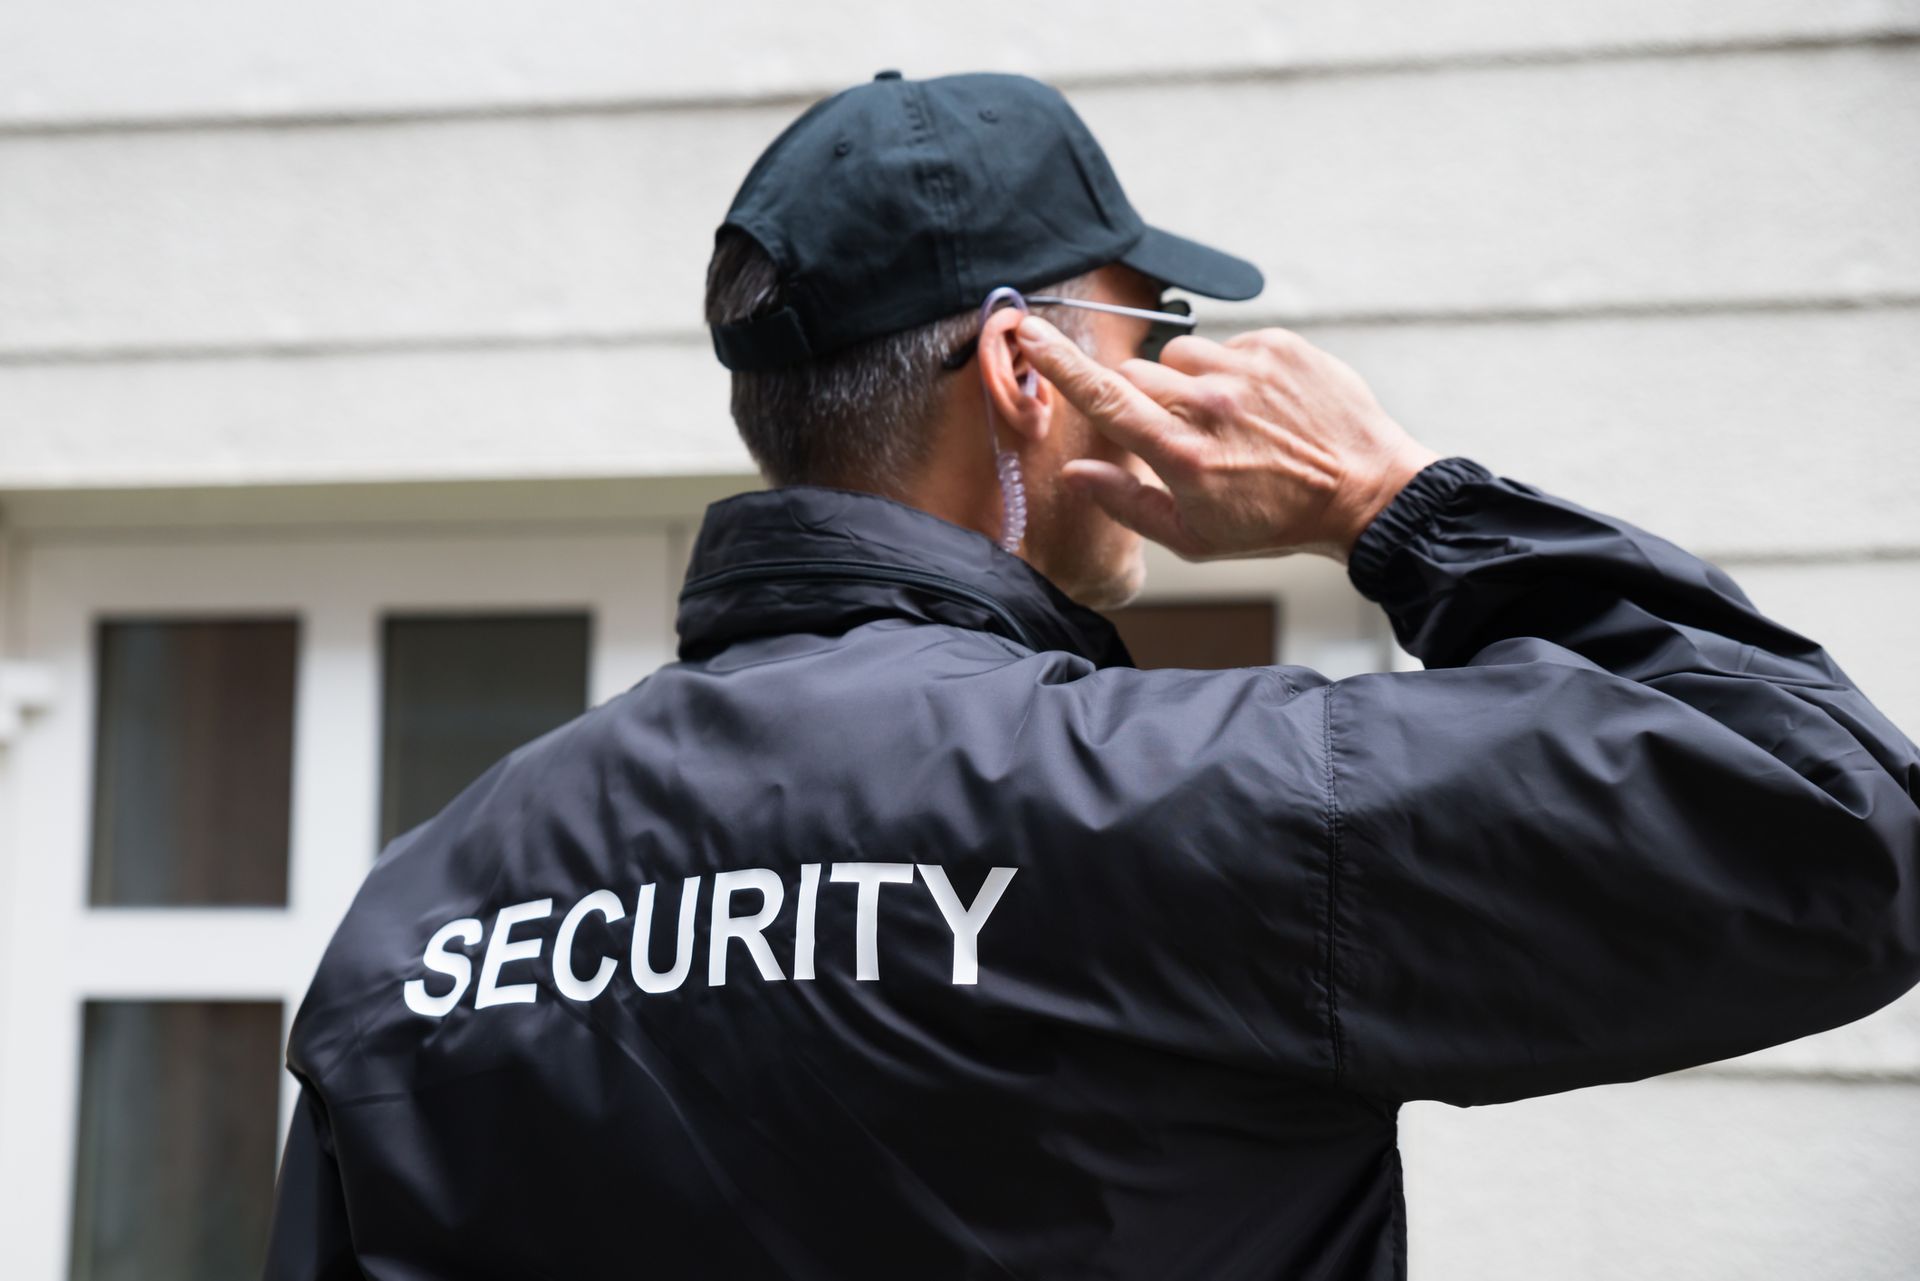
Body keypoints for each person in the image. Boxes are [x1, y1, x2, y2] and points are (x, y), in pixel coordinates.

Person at [264, 70, 1920, 1280]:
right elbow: (1838, 823)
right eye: (1156, 329)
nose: (1184, 368)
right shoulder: (1190, 799)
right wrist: (1392, 503)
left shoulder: (423, 909)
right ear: (1025, 368)